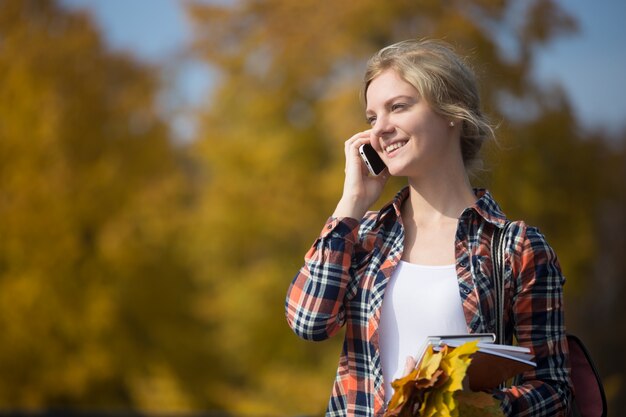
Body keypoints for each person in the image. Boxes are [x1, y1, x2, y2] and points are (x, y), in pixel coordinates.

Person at [285, 39, 573, 417]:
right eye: (372, 118)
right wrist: (352, 204)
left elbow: (555, 390)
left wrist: (466, 408)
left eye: (398, 107)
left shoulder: (515, 247)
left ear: (451, 111)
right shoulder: (365, 235)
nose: (380, 129)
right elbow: (309, 322)